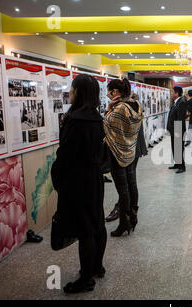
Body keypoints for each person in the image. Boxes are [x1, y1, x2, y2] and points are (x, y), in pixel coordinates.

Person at [50, 74, 107, 293]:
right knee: (97, 222)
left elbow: (66, 155)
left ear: (78, 92)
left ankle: (86, 279)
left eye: (72, 89)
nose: (70, 93)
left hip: (77, 179)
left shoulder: (75, 120)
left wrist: (58, 179)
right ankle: (97, 267)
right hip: (93, 177)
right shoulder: (96, 117)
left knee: (85, 229)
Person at [104, 78, 143, 237]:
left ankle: (124, 222)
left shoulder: (119, 108)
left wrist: (108, 108)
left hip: (117, 153)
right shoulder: (136, 105)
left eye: (109, 91)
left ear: (115, 92)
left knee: (123, 190)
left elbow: (105, 124)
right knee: (132, 184)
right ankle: (133, 216)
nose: (108, 94)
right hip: (131, 150)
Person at [167, 86, 187, 173]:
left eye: (172, 92)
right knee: (174, 147)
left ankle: (182, 166)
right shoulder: (176, 102)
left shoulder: (181, 102)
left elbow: (180, 118)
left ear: (177, 93)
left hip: (178, 130)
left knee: (178, 148)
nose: (171, 94)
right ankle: (177, 164)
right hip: (173, 130)